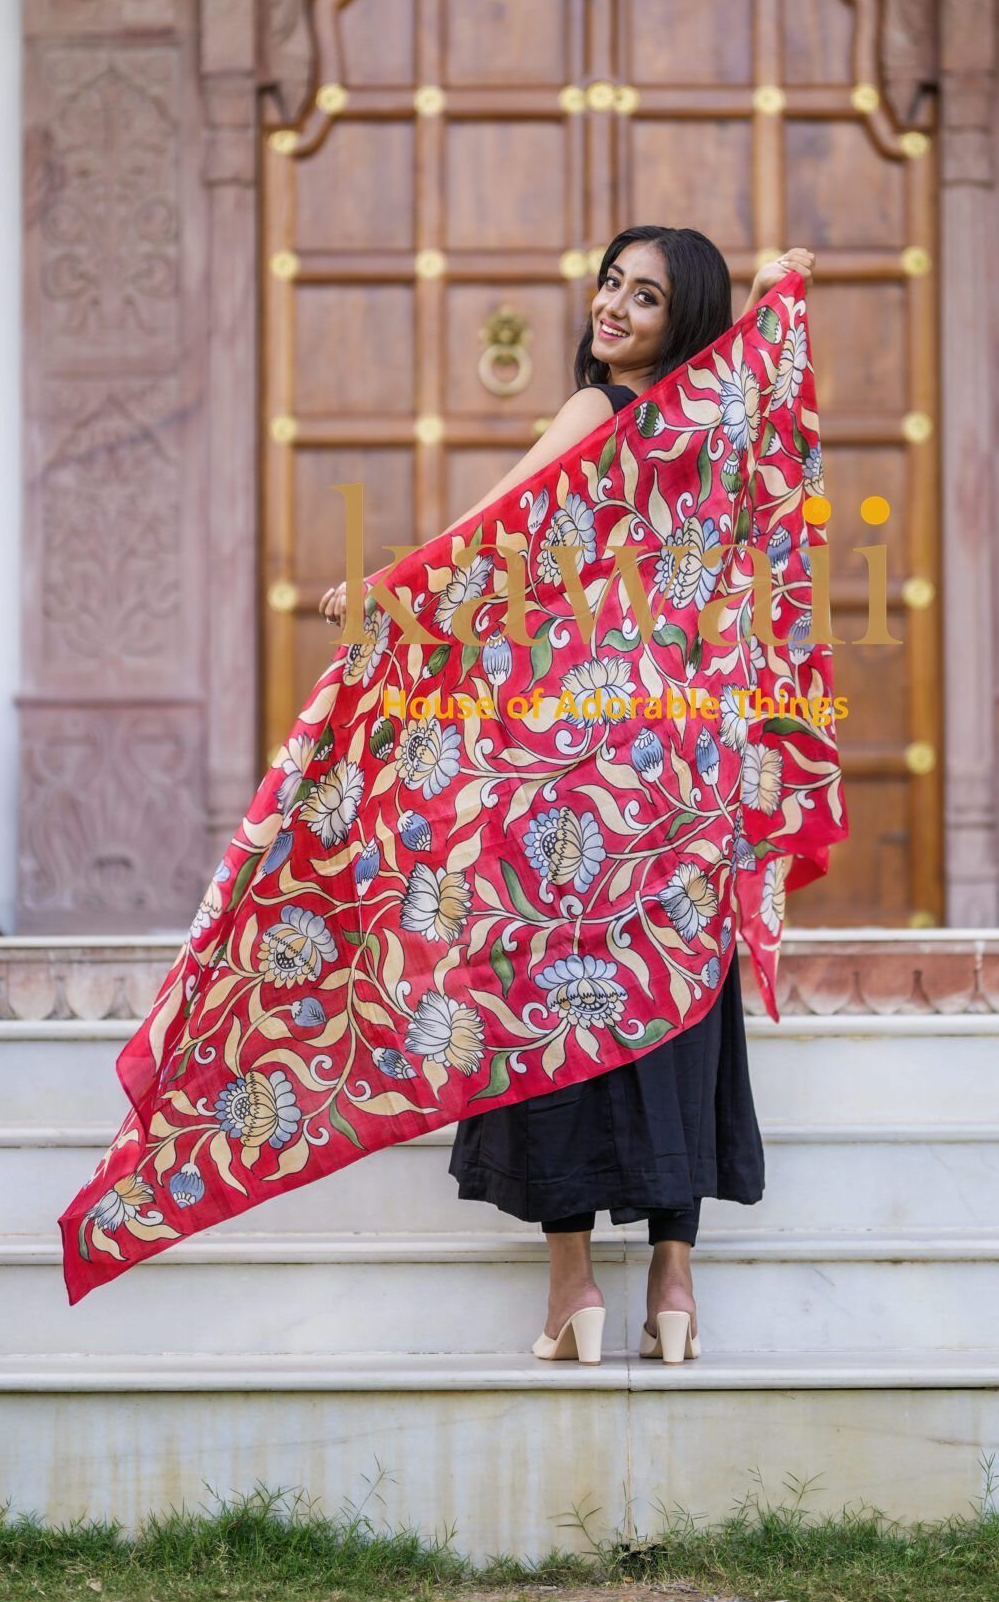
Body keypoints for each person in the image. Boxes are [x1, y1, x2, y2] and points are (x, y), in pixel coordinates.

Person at [321, 228, 816, 1362]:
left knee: (546, 995)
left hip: (582, 776)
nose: (614, 308)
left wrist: (384, 598)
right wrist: (781, 290)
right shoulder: (723, 429)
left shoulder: (600, 417)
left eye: (645, 297)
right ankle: (676, 1291)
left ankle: (573, 1285)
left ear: (679, 321)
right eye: (611, 282)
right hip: (688, 767)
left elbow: (487, 534)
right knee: (680, 1000)